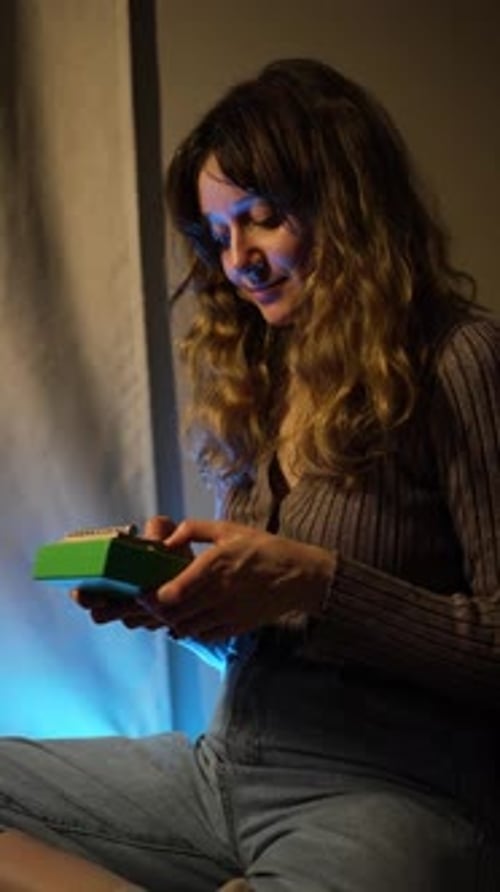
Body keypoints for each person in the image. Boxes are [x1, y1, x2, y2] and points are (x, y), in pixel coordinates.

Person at [1, 57, 499, 892]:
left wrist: (317, 582)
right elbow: (279, 637)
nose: (240, 262)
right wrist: (191, 602)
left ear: (349, 207)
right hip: (224, 773)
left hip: (398, 796)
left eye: (263, 219)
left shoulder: (461, 359)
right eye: (218, 234)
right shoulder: (271, 374)